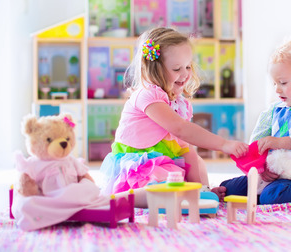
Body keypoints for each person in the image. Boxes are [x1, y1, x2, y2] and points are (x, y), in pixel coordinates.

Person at [100, 27, 248, 207]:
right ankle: (112, 201)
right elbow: (181, 129)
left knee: (196, 162)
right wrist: (224, 144)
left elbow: (185, 149)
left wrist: (203, 188)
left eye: (188, 66)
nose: (185, 74)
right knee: (166, 189)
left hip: (165, 161)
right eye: (177, 68)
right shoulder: (147, 95)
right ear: (154, 69)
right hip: (141, 164)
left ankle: (199, 193)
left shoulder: (179, 102)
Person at [214, 38, 291, 204]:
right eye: (274, 83)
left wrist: (280, 142)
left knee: (274, 195)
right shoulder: (274, 110)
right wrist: (262, 167)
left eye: (283, 82)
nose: (277, 89)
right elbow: (257, 143)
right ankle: (260, 195)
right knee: (228, 189)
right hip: (269, 176)